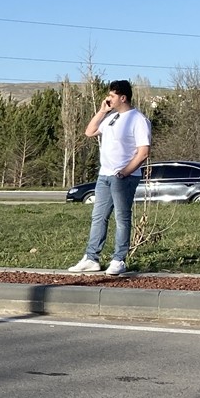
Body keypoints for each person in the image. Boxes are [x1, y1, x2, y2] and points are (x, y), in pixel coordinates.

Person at [68, 80, 152, 276]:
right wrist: (102, 111)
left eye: (112, 96)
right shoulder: (111, 118)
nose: (108, 99)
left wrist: (125, 172)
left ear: (123, 97)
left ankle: (118, 259)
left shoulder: (138, 120)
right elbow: (89, 132)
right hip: (104, 175)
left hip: (123, 177)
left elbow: (143, 152)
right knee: (98, 217)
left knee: (121, 218)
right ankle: (91, 258)